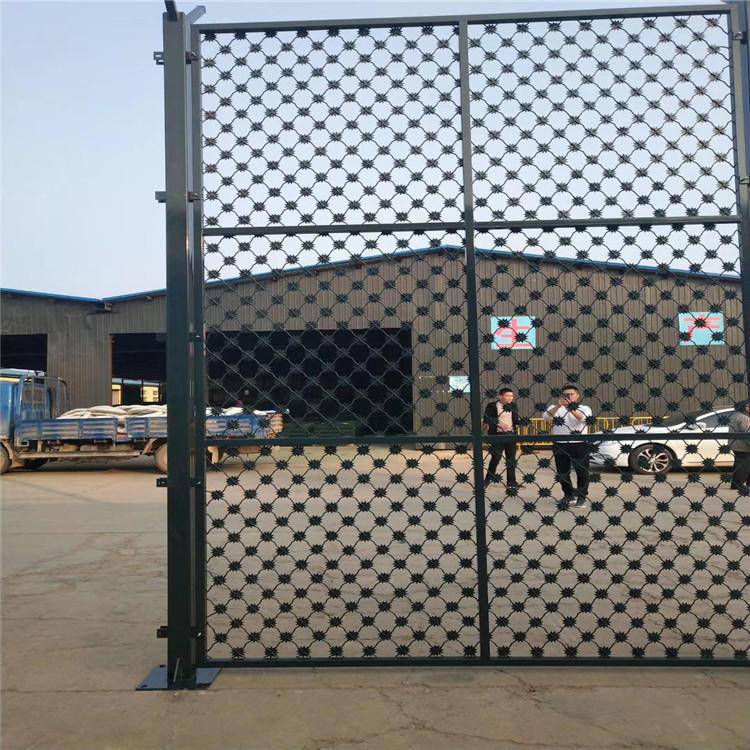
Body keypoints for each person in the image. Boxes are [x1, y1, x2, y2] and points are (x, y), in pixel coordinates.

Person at [544, 385, 593, 508]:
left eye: (572, 394)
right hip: (560, 443)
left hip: (579, 443)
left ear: (577, 396)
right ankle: (568, 494)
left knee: (582, 471)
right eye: (566, 394)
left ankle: (582, 496)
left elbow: (583, 419)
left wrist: (571, 409)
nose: (569, 396)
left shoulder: (584, 408)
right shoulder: (555, 407)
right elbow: (546, 417)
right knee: (562, 472)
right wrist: (558, 406)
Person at [483, 387, 520, 489]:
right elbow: (487, 419)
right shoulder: (492, 405)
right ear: (500, 396)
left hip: (511, 435)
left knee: (511, 460)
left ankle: (511, 482)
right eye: (507, 395)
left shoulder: (513, 406)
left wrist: (523, 421)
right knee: (496, 458)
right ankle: (487, 480)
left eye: (511, 396)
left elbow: (515, 420)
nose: (510, 398)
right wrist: (499, 424)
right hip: (497, 436)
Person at [728, 399, 750, 490]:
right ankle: (737, 484)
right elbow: (747, 434)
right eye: (748, 406)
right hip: (742, 446)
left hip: (736, 445)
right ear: (744, 408)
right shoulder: (744, 418)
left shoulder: (736, 415)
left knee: (741, 464)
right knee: (742, 465)